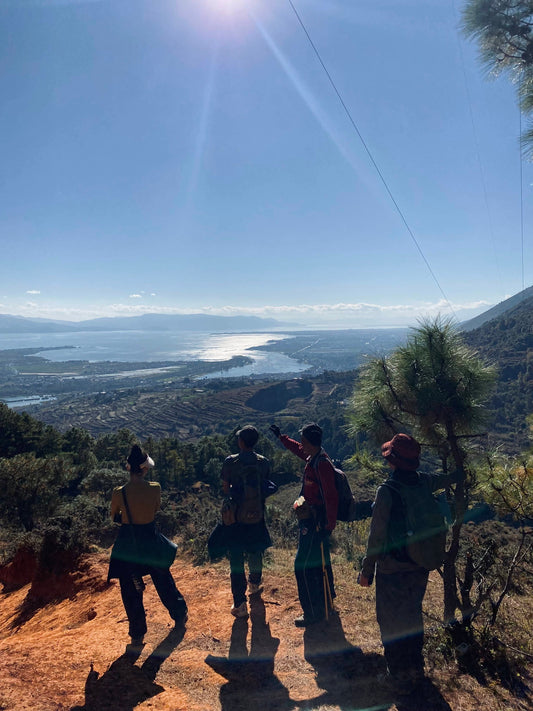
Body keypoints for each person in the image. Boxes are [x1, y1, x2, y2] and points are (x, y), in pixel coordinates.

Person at [358, 433, 463, 691]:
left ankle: (397, 672)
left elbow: (376, 537)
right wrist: (459, 473)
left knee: (389, 620)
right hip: (419, 565)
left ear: (392, 461)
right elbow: (443, 479)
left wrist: (366, 571)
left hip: (392, 568)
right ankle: (415, 668)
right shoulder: (424, 482)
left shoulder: (387, 491)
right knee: (412, 615)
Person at [108, 444, 188, 648]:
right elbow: (155, 509)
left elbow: (113, 516)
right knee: (163, 578)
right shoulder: (155, 488)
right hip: (150, 538)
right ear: (144, 469)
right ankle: (179, 615)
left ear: (128, 468)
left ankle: (137, 634)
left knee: (129, 588)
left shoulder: (119, 492)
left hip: (128, 541)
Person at [269, 422, 338, 627]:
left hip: (316, 524)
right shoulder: (315, 457)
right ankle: (327, 600)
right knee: (320, 563)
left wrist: (328, 524)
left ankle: (312, 613)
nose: (302, 444)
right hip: (315, 522)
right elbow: (298, 450)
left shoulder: (322, 465)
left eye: (304, 441)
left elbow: (331, 496)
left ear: (312, 442)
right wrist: (282, 438)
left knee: (303, 566)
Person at [220, 425, 273, 620]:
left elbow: (225, 488)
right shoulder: (263, 462)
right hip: (257, 514)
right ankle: (255, 583)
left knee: (236, 558)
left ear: (241, 442)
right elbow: (266, 484)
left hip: (235, 516)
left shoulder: (230, 462)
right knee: (255, 550)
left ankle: (240, 603)